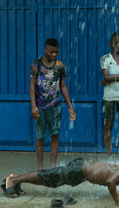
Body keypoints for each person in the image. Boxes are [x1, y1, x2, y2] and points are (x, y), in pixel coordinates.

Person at [1, 158, 119, 207]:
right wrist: (117, 201)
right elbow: (110, 181)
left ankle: (17, 178)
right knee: (48, 176)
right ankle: (13, 180)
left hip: (80, 173)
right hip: (79, 170)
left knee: (50, 181)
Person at [30, 38, 76, 171]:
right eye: (51, 52)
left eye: (56, 52)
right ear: (44, 50)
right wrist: (33, 105)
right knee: (40, 137)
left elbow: (63, 86)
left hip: (56, 106)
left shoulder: (59, 66)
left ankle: (52, 167)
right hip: (40, 106)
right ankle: (40, 168)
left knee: (55, 135)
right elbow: (32, 86)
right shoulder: (36, 64)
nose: (54, 55)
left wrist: (70, 106)